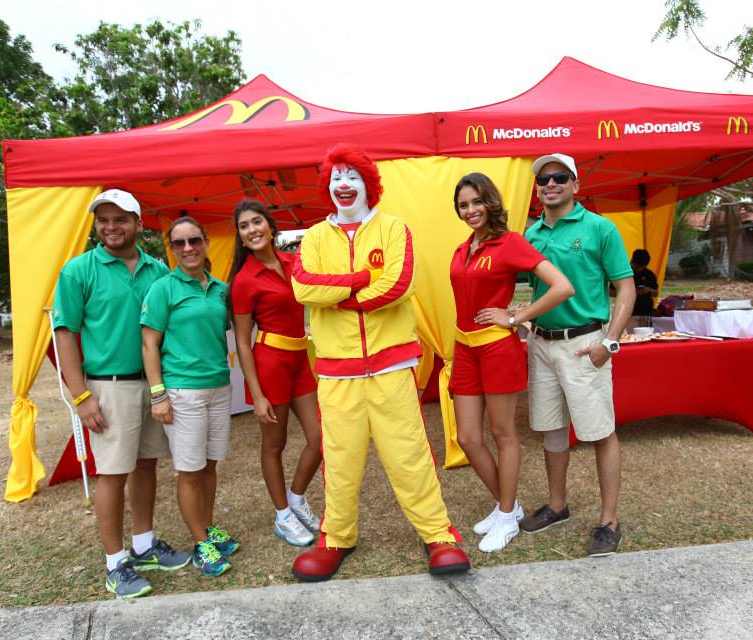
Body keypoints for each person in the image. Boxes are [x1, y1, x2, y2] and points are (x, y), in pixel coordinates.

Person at [289, 143, 470, 581]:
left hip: (390, 367)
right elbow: (302, 287)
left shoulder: (393, 228)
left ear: (368, 183)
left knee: (409, 455)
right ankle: (336, 536)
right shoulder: (313, 237)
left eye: (352, 176)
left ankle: (437, 533)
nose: (343, 184)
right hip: (337, 370)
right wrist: (358, 281)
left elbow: (399, 284)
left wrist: (340, 298)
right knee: (340, 457)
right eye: (336, 177)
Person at [52, 189, 190, 599]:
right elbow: (65, 335)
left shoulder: (157, 270)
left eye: (120, 219)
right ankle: (115, 563)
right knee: (111, 474)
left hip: (152, 384)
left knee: (145, 465)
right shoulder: (79, 271)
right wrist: (80, 395)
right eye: (103, 221)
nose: (111, 228)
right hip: (106, 387)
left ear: (138, 223)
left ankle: (144, 545)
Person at [448, 172, 574, 553]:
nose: (470, 210)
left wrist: (516, 317)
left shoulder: (509, 243)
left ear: (491, 202)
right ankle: (510, 507)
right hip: (463, 348)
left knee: (504, 435)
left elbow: (562, 286)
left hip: (496, 349)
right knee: (468, 437)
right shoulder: (463, 247)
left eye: (476, 202)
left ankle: (505, 515)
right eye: (463, 205)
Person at [521, 153, 636, 557]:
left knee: (600, 431)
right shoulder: (530, 234)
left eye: (559, 177)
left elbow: (625, 288)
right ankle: (557, 506)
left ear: (575, 185)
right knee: (552, 429)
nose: (549, 184)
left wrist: (611, 341)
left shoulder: (600, 228)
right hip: (541, 343)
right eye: (543, 180)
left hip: (584, 343)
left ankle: (608, 520)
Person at [141, 216, 237, 577]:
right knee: (190, 470)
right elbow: (150, 343)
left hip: (218, 387)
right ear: (172, 248)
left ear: (205, 242)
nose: (187, 249)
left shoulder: (219, 288)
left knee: (210, 464)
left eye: (193, 240)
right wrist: (158, 395)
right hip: (183, 391)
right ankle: (200, 543)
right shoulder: (163, 288)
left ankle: (207, 527)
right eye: (179, 243)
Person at [229, 199, 322, 547]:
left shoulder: (293, 262)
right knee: (274, 444)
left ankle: (297, 498)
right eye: (244, 226)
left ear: (270, 226)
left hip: (300, 359)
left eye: (257, 222)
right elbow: (241, 340)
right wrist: (256, 393)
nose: (252, 230)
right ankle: (282, 515)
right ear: (240, 236)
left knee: (321, 437)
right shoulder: (244, 280)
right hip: (270, 363)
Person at [629, 249, 658, 326]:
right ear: (633, 261)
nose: (639, 269)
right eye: (637, 266)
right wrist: (631, 291)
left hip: (646, 312)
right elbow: (611, 292)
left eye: (642, 267)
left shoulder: (649, 274)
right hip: (629, 313)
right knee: (631, 336)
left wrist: (649, 290)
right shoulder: (625, 273)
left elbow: (656, 293)